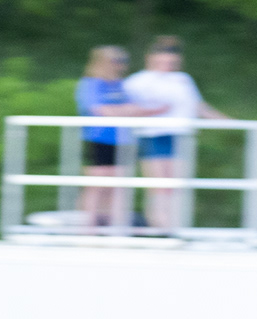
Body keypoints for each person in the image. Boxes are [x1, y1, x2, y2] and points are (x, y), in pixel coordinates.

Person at [123, 36, 230, 230]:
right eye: (163, 59)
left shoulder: (182, 79)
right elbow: (126, 108)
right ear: (151, 58)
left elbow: (198, 106)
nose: (167, 64)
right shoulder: (138, 82)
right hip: (153, 135)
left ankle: (173, 226)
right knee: (159, 185)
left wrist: (228, 122)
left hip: (180, 136)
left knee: (177, 185)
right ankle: (158, 227)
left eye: (171, 60)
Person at [74, 46, 166, 227]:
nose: (120, 66)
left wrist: (129, 111)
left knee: (117, 185)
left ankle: (113, 226)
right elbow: (100, 110)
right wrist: (126, 111)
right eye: (116, 61)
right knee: (97, 185)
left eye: (123, 61)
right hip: (98, 139)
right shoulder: (91, 84)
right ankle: (88, 228)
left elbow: (135, 108)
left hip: (122, 140)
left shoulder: (118, 85)